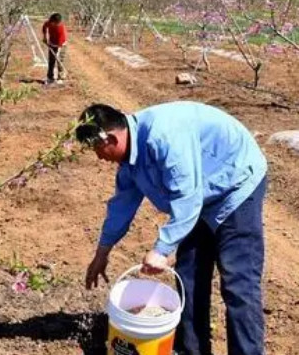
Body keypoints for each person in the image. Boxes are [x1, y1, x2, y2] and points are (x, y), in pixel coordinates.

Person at [76, 101, 267, 355]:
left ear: (111, 138)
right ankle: (192, 350)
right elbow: (122, 205)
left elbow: (187, 198)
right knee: (189, 276)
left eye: (98, 149)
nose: (99, 157)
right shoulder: (130, 160)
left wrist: (162, 249)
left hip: (235, 184)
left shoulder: (163, 137)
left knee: (237, 282)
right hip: (200, 196)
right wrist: (102, 253)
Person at [42, 13, 67, 83]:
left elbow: (60, 44)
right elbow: (44, 27)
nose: (56, 24)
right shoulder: (48, 23)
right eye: (55, 23)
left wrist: (57, 54)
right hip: (52, 44)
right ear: (52, 21)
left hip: (62, 45)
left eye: (57, 23)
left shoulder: (60, 28)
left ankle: (60, 78)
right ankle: (50, 77)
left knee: (59, 61)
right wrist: (44, 37)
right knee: (51, 61)